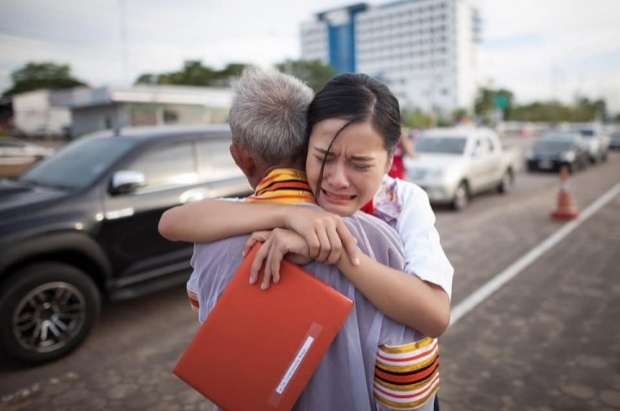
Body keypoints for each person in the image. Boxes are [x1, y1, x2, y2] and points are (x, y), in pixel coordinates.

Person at [160, 70, 452, 410]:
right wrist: (290, 216)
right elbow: (172, 222)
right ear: (305, 147)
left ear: (390, 159)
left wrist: (338, 250)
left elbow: (434, 314)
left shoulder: (402, 203)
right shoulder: (284, 207)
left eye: (360, 164)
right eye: (324, 157)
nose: (338, 179)